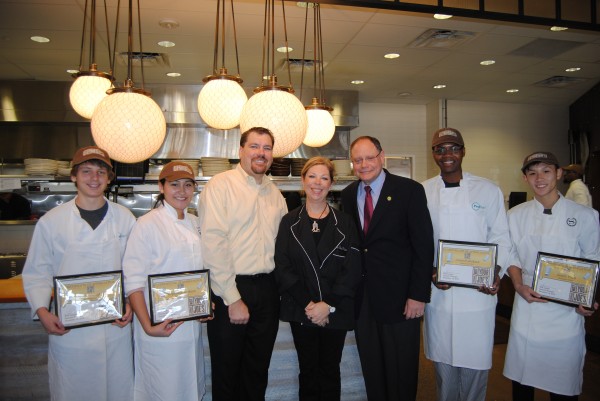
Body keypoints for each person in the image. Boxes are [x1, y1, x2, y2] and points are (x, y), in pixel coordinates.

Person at [22, 145, 135, 401]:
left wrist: (129, 302)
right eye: (86, 171)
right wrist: (41, 311)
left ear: (109, 178)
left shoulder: (125, 218)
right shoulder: (52, 221)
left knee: (117, 390)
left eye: (100, 172)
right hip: (71, 330)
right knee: (74, 391)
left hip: (114, 327)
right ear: (74, 176)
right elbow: (37, 271)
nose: (94, 178)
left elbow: (133, 268)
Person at [341, 136, 434, 401]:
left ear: (382, 157)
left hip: (401, 298)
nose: (364, 164)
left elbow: (423, 246)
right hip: (364, 300)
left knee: (401, 370)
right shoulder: (348, 195)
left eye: (369, 158)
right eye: (358, 160)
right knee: (372, 368)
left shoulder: (410, 190)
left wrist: (418, 294)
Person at [421, 128, 512, 401]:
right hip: (441, 294)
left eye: (453, 148)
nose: (447, 154)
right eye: (440, 149)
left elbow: (501, 238)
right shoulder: (423, 191)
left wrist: (495, 273)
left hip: (477, 296)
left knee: (474, 366)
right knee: (444, 370)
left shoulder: (488, 190)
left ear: (463, 151)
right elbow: (417, 241)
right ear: (434, 154)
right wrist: (431, 271)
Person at [198, 127, 288, 401]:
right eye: (255, 146)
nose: (261, 153)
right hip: (232, 288)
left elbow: (284, 247)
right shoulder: (220, 185)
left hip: (268, 289)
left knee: (257, 370)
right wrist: (231, 297)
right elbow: (214, 243)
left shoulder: (275, 193)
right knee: (227, 372)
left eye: (267, 148)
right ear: (241, 151)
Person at [503, 151, 600, 400]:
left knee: (563, 385)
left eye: (546, 170)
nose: (540, 178)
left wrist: (586, 300)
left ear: (558, 173)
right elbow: (510, 255)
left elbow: (592, 260)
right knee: (523, 384)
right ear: (525, 178)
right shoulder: (515, 216)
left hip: (566, 318)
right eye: (532, 172)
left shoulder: (585, 216)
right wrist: (518, 285)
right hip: (528, 312)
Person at [274, 157, 362, 401]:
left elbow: (352, 269)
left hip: (336, 309)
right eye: (312, 176)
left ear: (331, 183)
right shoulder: (289, 222)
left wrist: (328, 305)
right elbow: (282, 267)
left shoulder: (344, 222)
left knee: (330, 370)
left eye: (324, 177)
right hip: (302, 309)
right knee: (308, 371)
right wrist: (310, 305)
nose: (317, 183)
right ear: (303, 181)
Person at [123, 161, 209, 401]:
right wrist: (148, 326)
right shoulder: (147, 224)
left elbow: (198, 272)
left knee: (189, 386)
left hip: (189, 327)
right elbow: (133, 281)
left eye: (187, 185)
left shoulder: (194, 222)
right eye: (174, 185)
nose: (181, 191)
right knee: (163, 390)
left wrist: (204, 303)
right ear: (161, 187)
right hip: (159, 327)